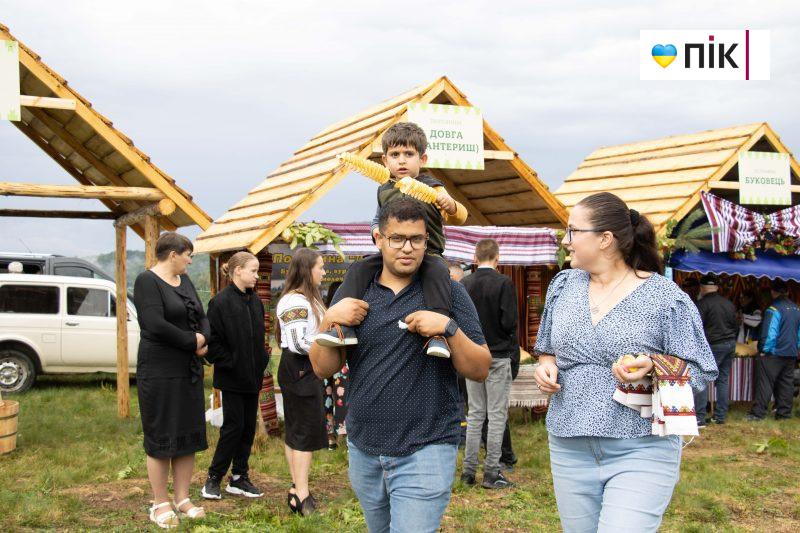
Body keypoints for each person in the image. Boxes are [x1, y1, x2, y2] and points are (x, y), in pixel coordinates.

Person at [533, 192, 717, 533]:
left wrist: (652, 364)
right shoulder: (562, 286)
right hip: (568, 444)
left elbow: (702, 369)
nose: (565, 240)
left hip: (641, 448)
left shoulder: (664, 296)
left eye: (573, 231)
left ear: (605, 239)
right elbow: (546, 349)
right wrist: (546, 365)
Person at [310, 199, 491, 533]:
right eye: (397, 239)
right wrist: (327, 321)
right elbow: (323, 368)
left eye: (417, 239)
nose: (407, 248)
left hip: (427, 448)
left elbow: (480, 367)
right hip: (364, 449)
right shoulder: (355, 292)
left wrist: (448, 328)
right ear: (378, 239)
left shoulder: (448, 292)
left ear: (427, 241)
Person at [316, 122, 468, 358]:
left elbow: (460, 216)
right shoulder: (383, 189)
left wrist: (451, 205)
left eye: (409, 154)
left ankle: (438, 336)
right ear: (385, 161)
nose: (402, 160)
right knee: (359, 267)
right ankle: (342, 326)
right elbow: (377, 218)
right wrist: (377, 231)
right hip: (391, 253)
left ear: (423, 159)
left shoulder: (433, 186)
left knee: (438, 271)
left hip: (428, 254)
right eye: (395, 155)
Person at [133, 232, 210, 528]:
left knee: (187, 435)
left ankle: (182, 497)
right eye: (188, 254)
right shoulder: (147, 281)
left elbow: (201, 315)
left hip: (187, 369)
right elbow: (153, 324)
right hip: (159, 369)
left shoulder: (186, 280)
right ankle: (160, 502)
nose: (190, 260)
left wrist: (203, 336)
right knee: (162, 435)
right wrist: (192, 341)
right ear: (173, 254)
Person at [202, 252, 269, 500]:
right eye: (253, 270)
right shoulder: (219, 303)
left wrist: (260, 359)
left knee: (248, 428)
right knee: (233, 427)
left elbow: (259, 338)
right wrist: (230, 363)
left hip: (252, 378)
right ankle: (213, 478)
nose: (256, 275)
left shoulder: (256, 302)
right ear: (237, 271)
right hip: (232, 378)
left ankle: (239, 477)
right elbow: (212, 342)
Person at [460, 238, 517, 489]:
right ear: (497, 258)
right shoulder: (504, 283)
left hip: (472, 354)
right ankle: (492, 472)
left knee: (474, 415)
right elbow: (509, 322)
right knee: (496, 416)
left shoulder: (464, 283)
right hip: (498, 354)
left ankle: (468, 472)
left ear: (475, 257)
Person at [275, 248, 328, 515]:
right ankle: (302, 493)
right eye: (320, 267)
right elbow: (297, 343)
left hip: (304, 369)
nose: (324, 271)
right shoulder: (296, 301)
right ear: (307, 269)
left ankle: (297, 489)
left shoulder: (307, 298)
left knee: (298, 430)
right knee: (303, 432)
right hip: (301, 368)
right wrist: (328, 348)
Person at [747, 279, 800, 421]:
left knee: (765, 383)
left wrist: (764, 349)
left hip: (773, 353)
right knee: (786, 384)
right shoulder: (796, 309)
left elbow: (771, 332)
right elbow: (799, 332)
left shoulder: (773, 309)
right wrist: (797, 348)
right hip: (791, 352)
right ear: (787, 292)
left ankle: (758, 414)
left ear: (773, 292)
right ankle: (784, 414)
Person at [693, 273, 738, 427]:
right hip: (730, 343)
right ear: (717, 287)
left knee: (702, 378)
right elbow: (736, 325)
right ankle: (720, 416)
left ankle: (699, 417)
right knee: (723, 380)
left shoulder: (702, 304)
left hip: (713, 345)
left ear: (702, 288)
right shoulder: (728, 303)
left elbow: (697, 328)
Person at [323, 281, 348, 450]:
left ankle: (330, 438)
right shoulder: (345, 314)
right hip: (342, 361)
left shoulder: (325, 314)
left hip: (325, 359)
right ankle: (343, 434)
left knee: (328, 398)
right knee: (342, 398)